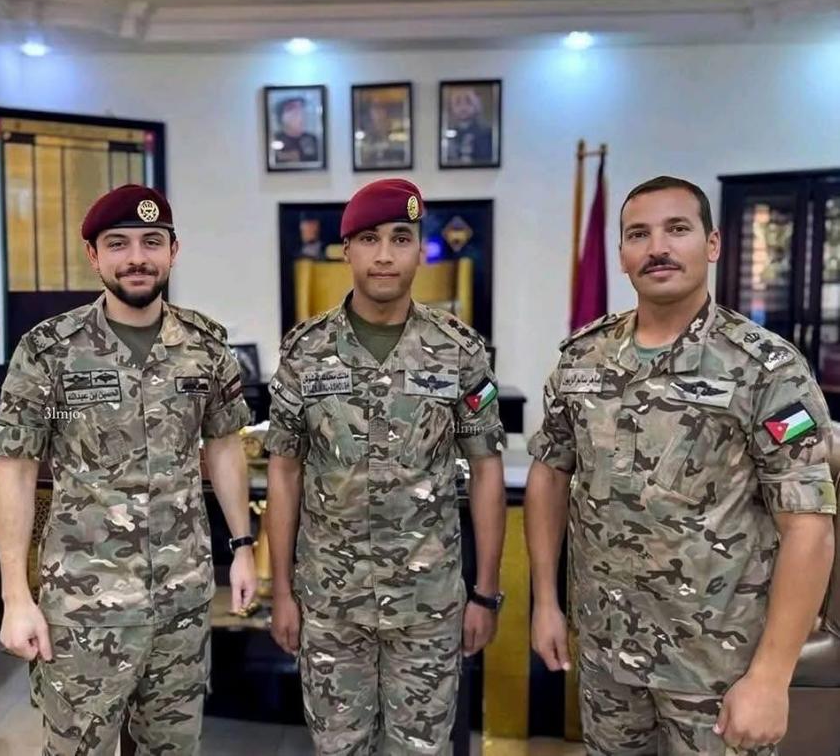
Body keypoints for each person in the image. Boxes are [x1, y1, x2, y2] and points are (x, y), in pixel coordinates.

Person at [525, 175, 836, 755]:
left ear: (712, 244)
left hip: (718, 668)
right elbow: (549, 472)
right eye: (638, 234)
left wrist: (771, 677)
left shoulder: (766, 368)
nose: (658, 248)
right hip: (607, 658)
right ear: (622, 254)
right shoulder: (583, 358)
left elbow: (809, 529)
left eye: (677, 229)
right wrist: (545, 600)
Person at [0, 184, 256, 755]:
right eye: (118, 244)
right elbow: (15, 469)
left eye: (151, 242)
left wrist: (242, 546)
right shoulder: (48, 350)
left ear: (173, 251)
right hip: (82, 609)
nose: (137, 257)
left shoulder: (206, 346)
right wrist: (15, 596)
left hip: (182, 604)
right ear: (94, 255)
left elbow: (224, 446)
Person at [266, 178, 507, 755]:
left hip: (428, 605)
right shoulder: (305, 351)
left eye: (401, 238)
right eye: (369, 239)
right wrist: (282, 591)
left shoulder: (459, 349)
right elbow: (284, 471)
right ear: (346, 249)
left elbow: (486, 470)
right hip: (331, 602)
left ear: (420, 250)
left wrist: (486, 593)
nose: (384, 255)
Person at [444, 86, 493, 165]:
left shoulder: (487, 133)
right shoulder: (448, 134)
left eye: (468, 101)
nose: (463, 107)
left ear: (477, 104)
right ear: (451, 107)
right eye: (457, 102)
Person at [273, 96, 319, 164]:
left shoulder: (312, 139)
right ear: (282, 117)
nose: (300, 116)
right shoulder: (275, 139)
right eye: (295, 112)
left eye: (301, 110)